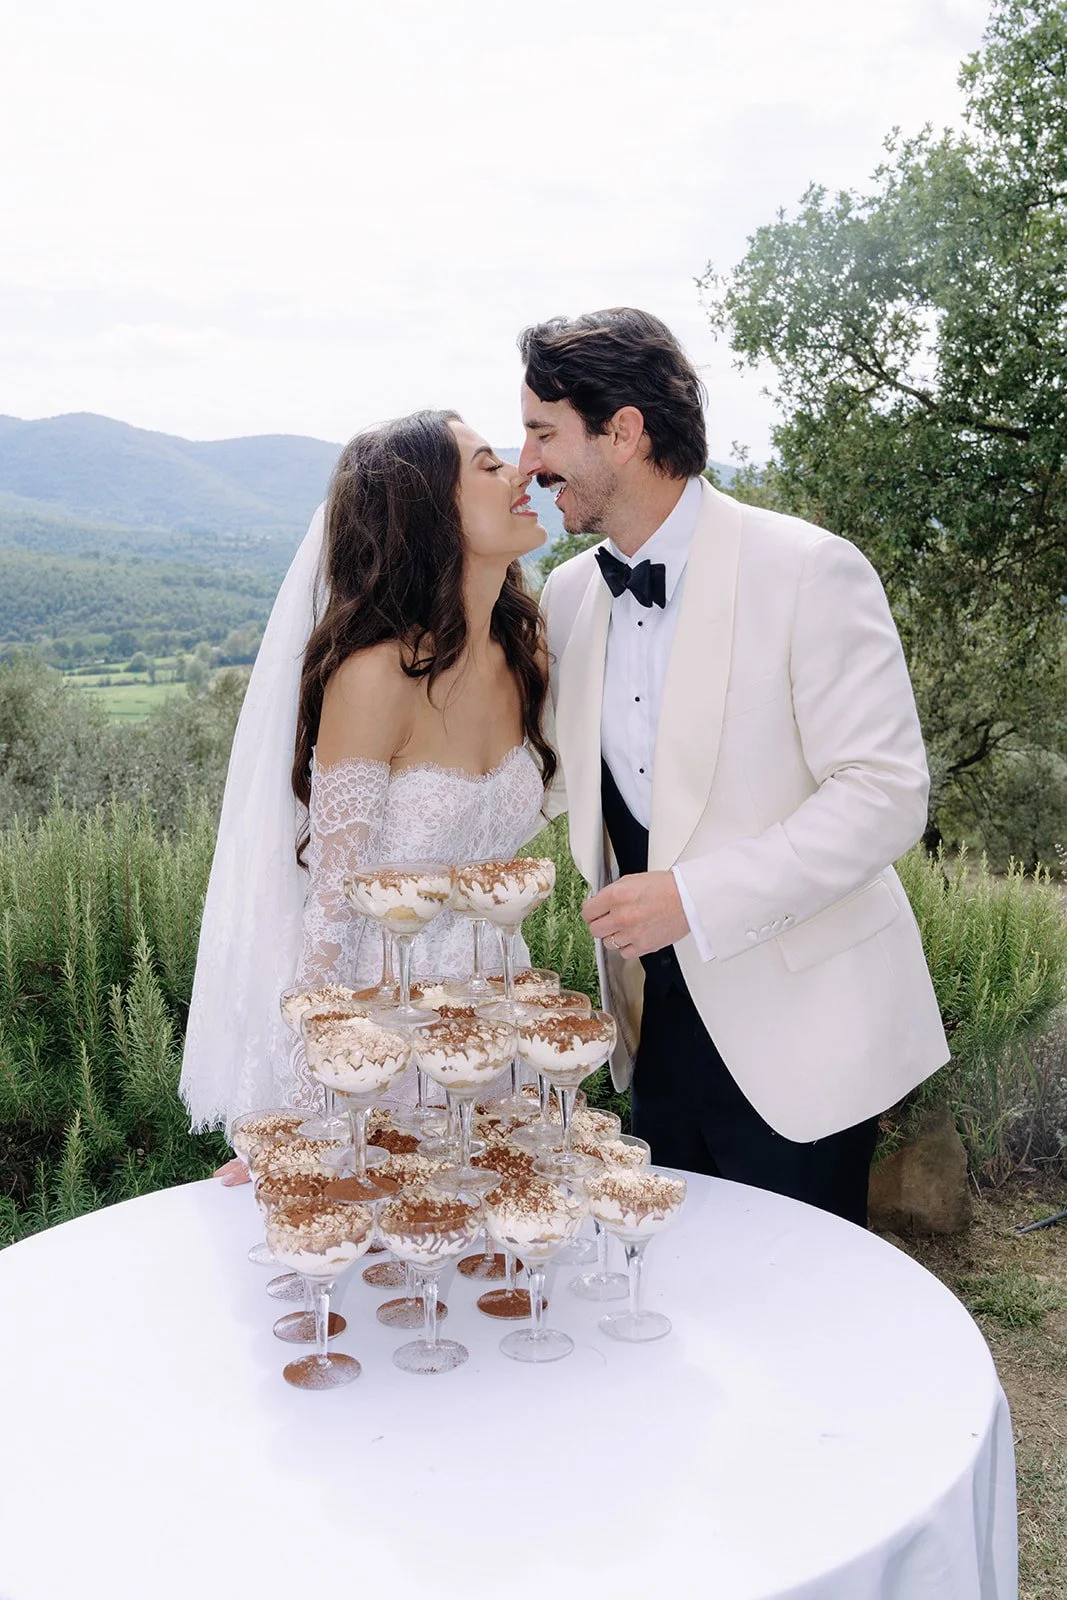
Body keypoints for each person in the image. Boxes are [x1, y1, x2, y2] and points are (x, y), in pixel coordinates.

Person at [523, 308, 949, 1226]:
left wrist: (697, 898)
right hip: (649, 1024)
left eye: (543, 433)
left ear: (624, 432)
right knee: (673, 1303)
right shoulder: (567, 593)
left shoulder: (808, 568)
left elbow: (883, 796)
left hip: (804, 1035)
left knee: (800, 1322)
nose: (528, 463)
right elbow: (546, 782)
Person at [180, 410, 555, 1160]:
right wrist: (309, 1111)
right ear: (428, 514)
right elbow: (330, 917)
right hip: (384, 1045)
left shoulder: (529, 654)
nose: (519, 473)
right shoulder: (374, 677)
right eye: (486, 466)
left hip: (500, 1033)